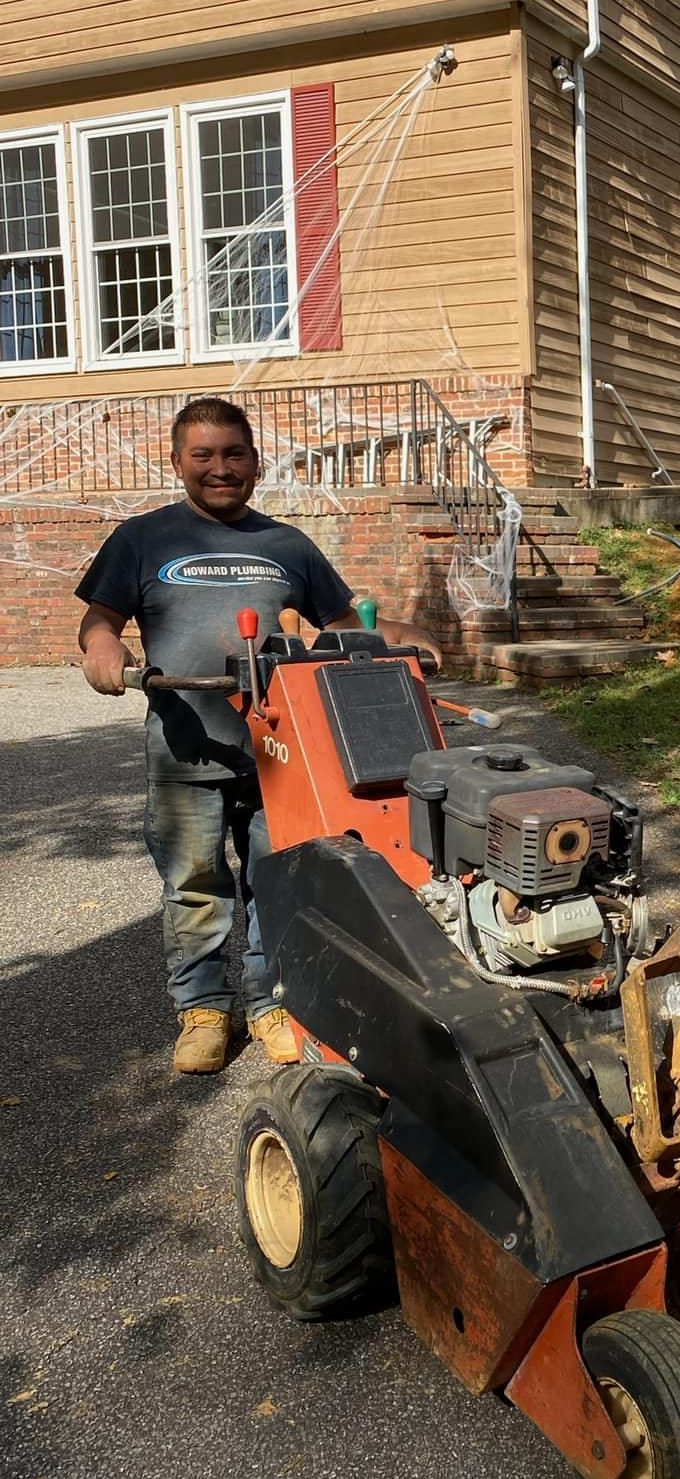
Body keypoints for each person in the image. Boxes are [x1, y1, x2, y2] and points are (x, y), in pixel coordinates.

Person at [76, 396, 440, 1076]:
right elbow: (100, 619)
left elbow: (339, 622)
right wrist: (103, 652)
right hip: (185, 745)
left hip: (281, 751)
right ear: (178, 462)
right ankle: (204, 1008)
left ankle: (273, 1001)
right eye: (204, 456)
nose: (221, 468)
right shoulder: (143, 539)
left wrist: (402, 638)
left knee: (278, 877)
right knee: (195, 882)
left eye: (234, 453)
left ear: (256, 460)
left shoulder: (287, 545)